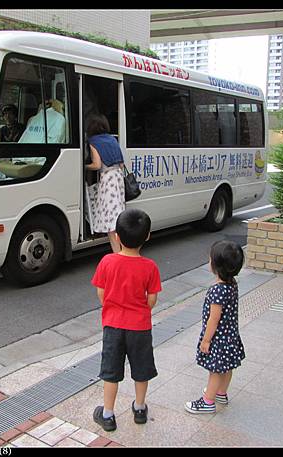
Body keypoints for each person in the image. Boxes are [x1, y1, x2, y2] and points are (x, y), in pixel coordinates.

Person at [91, 208, 162, 432]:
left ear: (118, 237)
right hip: (140, 327)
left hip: (113, 325)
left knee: (111, 372)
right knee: (141, 369)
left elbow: (101, 294)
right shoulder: (150, 267)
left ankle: (108, 414)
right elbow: (152, 300)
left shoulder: (107, 262)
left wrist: (113, 306)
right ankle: (139, 408)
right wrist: (139, 309)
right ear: (147, 236)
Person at [184, 240, 245, 414]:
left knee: (215, 371)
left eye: (210, 258)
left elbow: (214, 319)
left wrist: (206, 340)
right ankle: (221, 393)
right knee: (227, 367)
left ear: (216, 265)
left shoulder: (217, 290)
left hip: (218, 338)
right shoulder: (232, 284)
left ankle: (208, 401)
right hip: (231, 336)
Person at [85, 113, 126, 253]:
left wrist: (84, 166)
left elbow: (96, 165)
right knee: (118, 215)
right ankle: (122, 251)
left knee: (111, 221)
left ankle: (118, 254)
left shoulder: (93, 142)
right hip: (118, 178)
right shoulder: (113, 139)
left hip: (108, 180)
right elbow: (121, 164)